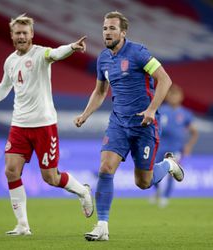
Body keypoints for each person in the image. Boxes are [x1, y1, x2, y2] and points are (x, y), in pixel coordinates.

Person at [0, 14, 94, 236]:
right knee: (11, 170)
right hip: (19, 125)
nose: (21, 36)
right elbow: (4, 86)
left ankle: (83, 191)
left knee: (50, 178)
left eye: (25, 33)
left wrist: (72, 47)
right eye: (17, 33)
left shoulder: (41, 54)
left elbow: (56, 53)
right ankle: (22, 225)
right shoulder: (10, 61)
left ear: (31, 35)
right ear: (12, 36)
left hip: (44, 125)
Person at [74, 11, 184, 241]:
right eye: (105, 28)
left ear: (123, 32)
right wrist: (85, 114)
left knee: (143, 182)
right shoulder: (103, 58)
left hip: (145, 124)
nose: (107, 32)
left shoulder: (138, 52)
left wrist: (152, 109)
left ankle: (169, 164)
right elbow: (100, 91)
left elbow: (165, 80)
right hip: (118, 123)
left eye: (112, 28)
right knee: (105, 168)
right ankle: (102, 226)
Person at [150, 84, 198, 208]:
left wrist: (188, 146)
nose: (174, 97)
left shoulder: (185, 113)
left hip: (175, 147)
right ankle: (157, 191)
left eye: (176, 95)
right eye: (171, 95)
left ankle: (165, 197)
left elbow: (194, 132)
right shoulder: (161, 110)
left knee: (173, 171)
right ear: (167, 96)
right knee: (152, 170)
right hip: (159, 146)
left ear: (181, 97)